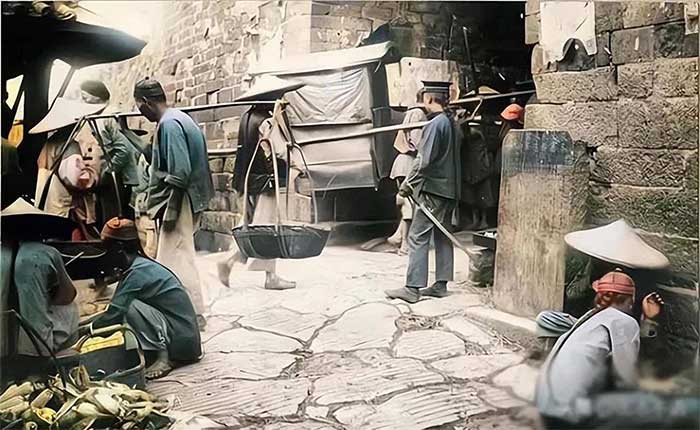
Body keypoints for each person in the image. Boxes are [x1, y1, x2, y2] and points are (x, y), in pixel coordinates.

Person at [536, 269, 699, 429]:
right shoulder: (624, 322)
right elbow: (626, 379)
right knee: (680, 407)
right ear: (632, 299)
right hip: (569, 414)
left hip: (546, 405)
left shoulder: (591, 316)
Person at [133, 78, 214, 328]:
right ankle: (187, 312)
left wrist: (172, 210)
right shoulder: (177, 118)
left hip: (178, 201)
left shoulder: (170, 124)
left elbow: (180, 172)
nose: (139, 111)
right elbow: (164, 160)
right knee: (177, 256)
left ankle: (193, 314)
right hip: (187, 198)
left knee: (177, 258)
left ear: (146, 102)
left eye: (138, 106)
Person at [87, 217, 201, 379]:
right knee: (127, 305)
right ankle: (154, 352)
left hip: (183, 341)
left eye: (107, 249)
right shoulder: (137, 266)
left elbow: (114, 314)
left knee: (131, 306)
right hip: (181, 335)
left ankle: (164, 358)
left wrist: (85, 332)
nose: (105, 255)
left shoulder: (138, 273)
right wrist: (86, 325)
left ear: (119, 249)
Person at [218, 77, 303, 290]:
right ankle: (264, 274)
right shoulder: (267, 121)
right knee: (266, 228)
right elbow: (280, 150)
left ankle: (236, 262)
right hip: (266, 182)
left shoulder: (248, 117)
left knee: (254, 225)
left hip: (248, 181)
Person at [385, 81, 461, 303]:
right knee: (442, 235)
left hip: (434, 191)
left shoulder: (435, 124)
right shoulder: (452, 122)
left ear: (429, 98)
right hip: (449, 190)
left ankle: (412, 288)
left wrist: (408, 183)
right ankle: (440, 284)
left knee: (417, 236)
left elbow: (424, 161)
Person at [0, 198, 79, 356]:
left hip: (2, 344)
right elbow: (68, 295)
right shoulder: (47, 253)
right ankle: (46, 349)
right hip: (36, 346)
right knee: (70, 308)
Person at [80, 80, 139, 222]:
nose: (83, 101)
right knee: (106, 218)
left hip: (116, 178)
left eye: (85, 97)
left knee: (114, 220)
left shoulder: (109, 116)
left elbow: (124, 149)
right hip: (109, 177)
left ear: (96, 97)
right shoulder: (99, 115)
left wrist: (108, 171)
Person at [386, 90, 427, 255]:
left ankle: (399, 236)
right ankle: (404, 245)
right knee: (410, 205)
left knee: (408, 204)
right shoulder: (418, 113)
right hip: (408, 162)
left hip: (404, 162)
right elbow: (416, 140)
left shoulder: (412, 112)